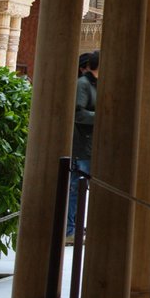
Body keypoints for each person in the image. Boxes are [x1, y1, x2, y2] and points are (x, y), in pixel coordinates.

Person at [67, 50, 98, 243]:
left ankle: (78, 228)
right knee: (75, 189)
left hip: (92, 146)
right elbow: (78, 113)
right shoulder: (83, 85)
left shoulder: (93, 84)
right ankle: (70, 230)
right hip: (82, 147)